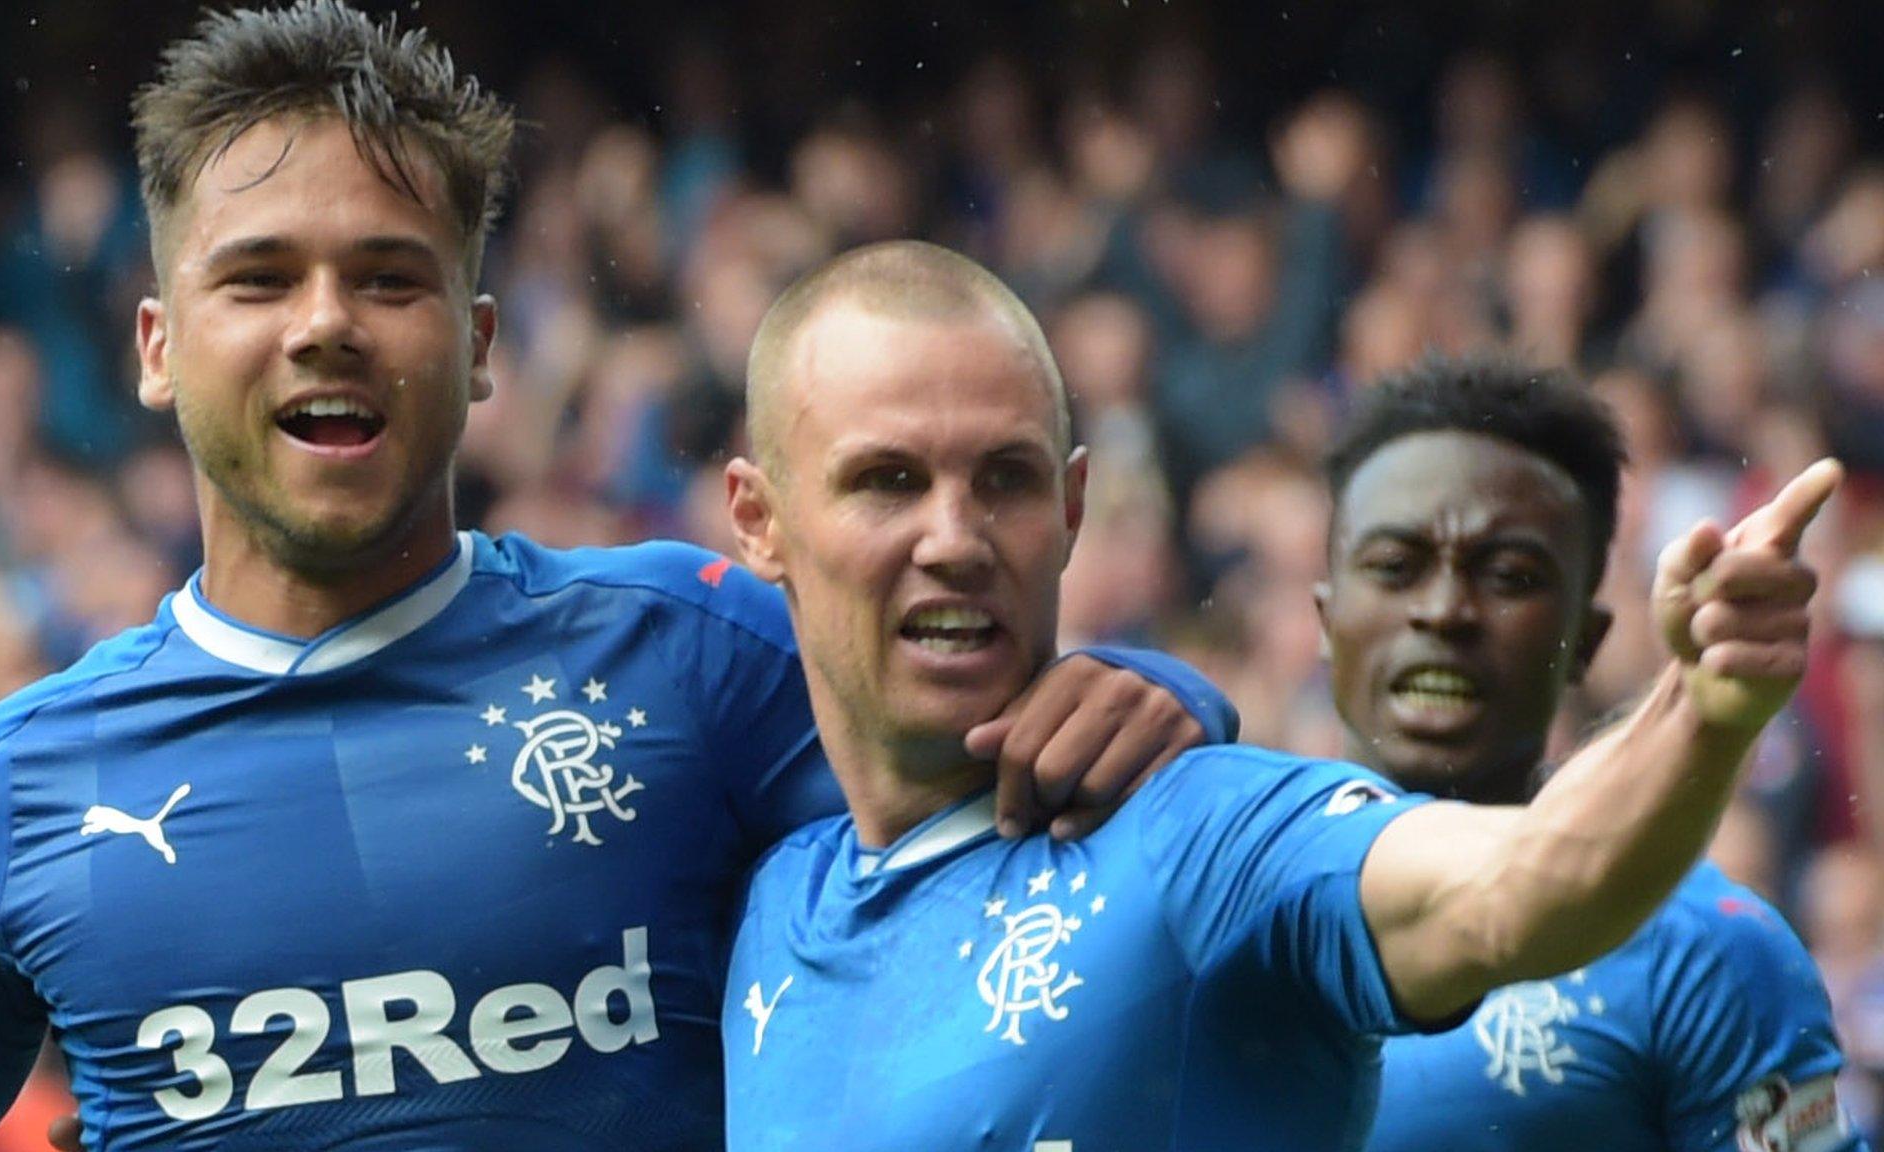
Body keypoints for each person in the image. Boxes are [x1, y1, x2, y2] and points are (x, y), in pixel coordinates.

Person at [0, 7, 1231, 1151]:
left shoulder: (696, 652)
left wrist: (1154, 698)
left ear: (482, 339)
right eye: (258, 279)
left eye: (389, 279)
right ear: (154, 346)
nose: (325, 323)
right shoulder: (10, 792)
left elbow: (1031, 750)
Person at [717, 239, 1839, 1150]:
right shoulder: (755, 897)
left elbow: (1529, 882)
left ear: (1070, 510)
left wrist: (1700, 706)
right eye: (887, 481)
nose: (952, 538)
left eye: (1003, 478)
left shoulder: (1203, 837)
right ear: (758, 522)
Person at [1313, 358, 1866, 1152]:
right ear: (1325, 621)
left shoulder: (1708, 953)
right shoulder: (1191, 908)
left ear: (1585, 640)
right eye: (1396, 568)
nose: (1445, 610)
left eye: (1509, 575)